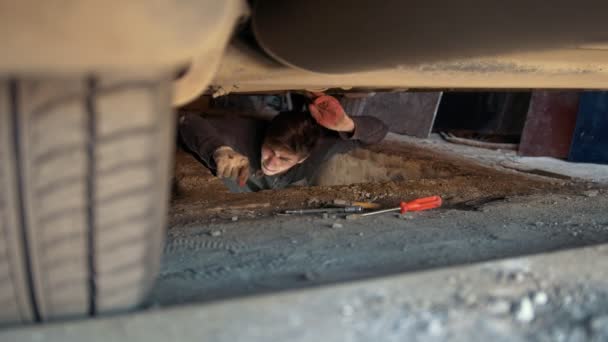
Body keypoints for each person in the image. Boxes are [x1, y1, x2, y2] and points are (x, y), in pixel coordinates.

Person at [178, 94, 388, 192]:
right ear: (266, 135)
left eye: (284, 159)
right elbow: (185, 120)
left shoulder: (322, 146)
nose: (271, 162)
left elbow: (379, 131)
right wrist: (218, 149)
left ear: (302, 159)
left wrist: (347, 124)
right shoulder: (239, 133)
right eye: (269, 150)